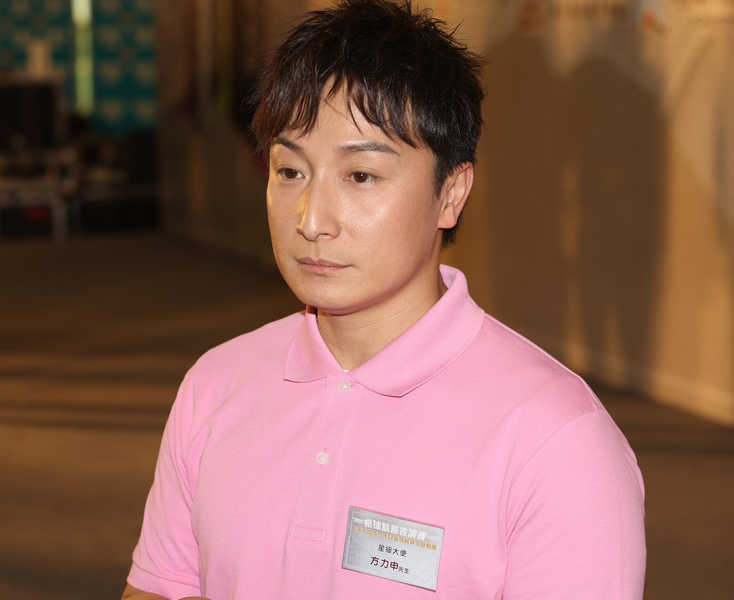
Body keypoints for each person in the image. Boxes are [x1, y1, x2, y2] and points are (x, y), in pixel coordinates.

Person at [122, 1, 646, 599]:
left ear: (451, 194)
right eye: (290, 172)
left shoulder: (557, 441)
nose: (311, 221)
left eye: (361, 176)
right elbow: (158, 588)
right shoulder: (216, 384)